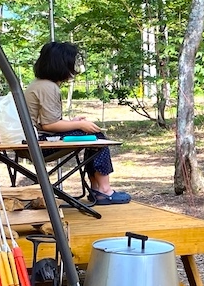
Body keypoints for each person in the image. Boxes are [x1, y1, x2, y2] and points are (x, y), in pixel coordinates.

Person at [24, 41, 131, 206]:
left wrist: (71, 123)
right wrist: (79, 125)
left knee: (91, 136)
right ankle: (103, 190)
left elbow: (43, 122)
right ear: (61, 64)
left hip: (33, 139)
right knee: (96, 138)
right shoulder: (48, 87)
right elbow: (49, 125)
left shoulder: (38, 84)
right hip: (39, 144)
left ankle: (98, 188)